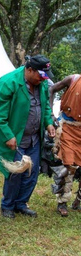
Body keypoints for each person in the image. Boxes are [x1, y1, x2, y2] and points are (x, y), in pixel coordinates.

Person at [0, 55, 56, 219]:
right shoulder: (8, 82)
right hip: (16, 137)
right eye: (40, 75)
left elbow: (45, 106)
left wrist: (48, 123)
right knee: (15, 172)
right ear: (29, 70)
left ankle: (21, 203)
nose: (43, 79)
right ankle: (8, 205)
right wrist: (9, 135)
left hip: (34, 137)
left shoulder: (41, 83)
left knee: (32, 172)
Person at [48, 74, 81, 216]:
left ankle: (78, 201)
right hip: (68, 127)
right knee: (69, 165)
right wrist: (50, 113)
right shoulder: (73, 79)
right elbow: (51, 89)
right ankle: (62, 202)